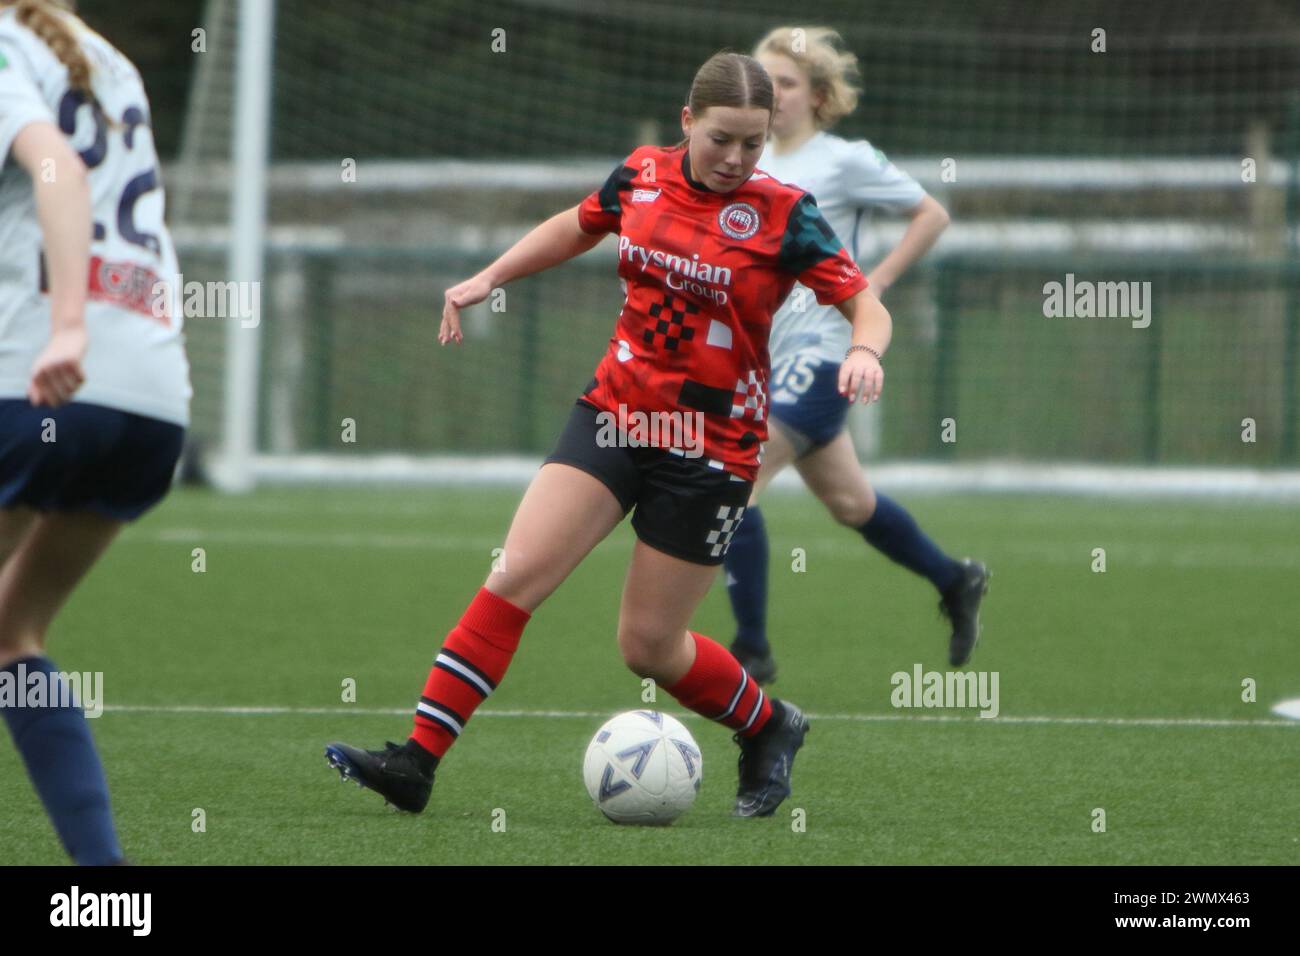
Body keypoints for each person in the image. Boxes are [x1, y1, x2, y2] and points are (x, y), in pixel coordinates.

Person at [325, 51, 891, 819]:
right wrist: (491, 276)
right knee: (515, 574)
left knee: (648, 649)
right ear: (687, 121)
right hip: (616, 413)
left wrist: (863, 349)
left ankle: (769, 724)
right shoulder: (642, 174)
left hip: (710, 445)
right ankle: (416, 763)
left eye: (753, 144)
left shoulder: (785, 214)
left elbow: (865, 302)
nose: (735, 159)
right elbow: (579, 224)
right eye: (721, 138)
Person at [721, 26, 989, 685]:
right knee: (850, 503)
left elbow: (931, 213)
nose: (771, 94)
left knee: (737, 478)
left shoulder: (844, 160)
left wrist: (879, 282)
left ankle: (750, 647)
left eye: (784, 82)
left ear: (816, 95)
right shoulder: (748, 163)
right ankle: (955, 579)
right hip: (769, 359)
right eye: (763, 81)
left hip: (830, 353)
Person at [0, 0, 190, 864]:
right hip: (151, 403)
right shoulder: (111, 62)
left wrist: (68, 326)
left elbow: (57, 171)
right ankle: (105, 887)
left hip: (42, 382)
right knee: (12, 636)